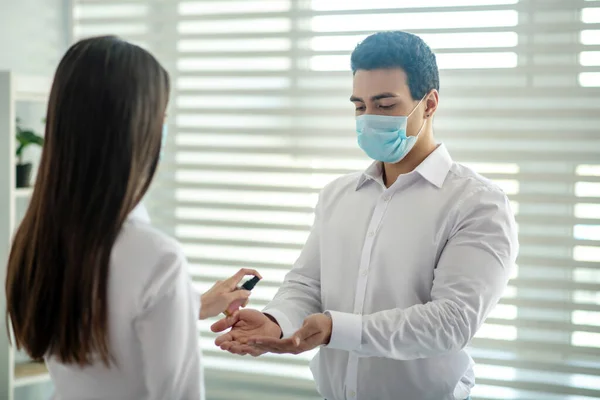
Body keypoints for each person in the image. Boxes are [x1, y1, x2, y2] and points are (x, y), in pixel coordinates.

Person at [212, 31, 519, 400]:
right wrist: (277, 323)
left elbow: (451, 322)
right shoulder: (337, 196)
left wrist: (333, 329)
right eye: (360, 106)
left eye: (386, 105)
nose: (370, 118)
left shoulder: (477, 203)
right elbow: (306, 286)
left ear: (430, 103)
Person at [4, 36, 259, 400]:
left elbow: (104, 333)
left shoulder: (33, 239)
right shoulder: (156, 256)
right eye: (162, 118)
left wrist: (191, 306)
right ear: (135, 130)